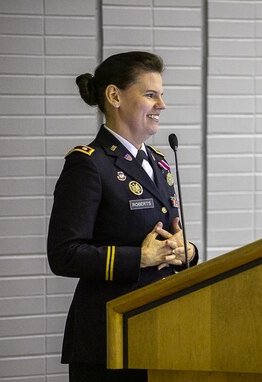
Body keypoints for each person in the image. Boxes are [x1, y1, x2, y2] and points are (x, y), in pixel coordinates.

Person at [47, 51, 198, 382]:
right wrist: (139, 258)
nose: (162, 104)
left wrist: (186, 251)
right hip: (109, 338)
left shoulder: (158, 161)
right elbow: (64, 255)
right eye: (150, 94)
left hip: (162, 329)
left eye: (162, 94)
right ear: (114, 96)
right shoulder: (88, 164)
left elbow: (165, 237)